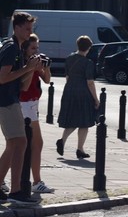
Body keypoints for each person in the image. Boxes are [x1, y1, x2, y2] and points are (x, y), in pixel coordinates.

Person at [0, 11, 43, 205]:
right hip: (6, 102)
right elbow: (2, 78)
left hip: (11, 100)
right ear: (16, 28)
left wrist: (32, 68)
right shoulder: (11, 48)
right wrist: (27, 69)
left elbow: (23, 85)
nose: (29, 32)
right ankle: (16, 191)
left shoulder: (17, 48)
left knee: (14, 144)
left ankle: (4, 185)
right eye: (26, 29)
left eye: (31, 29)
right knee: (20, 142)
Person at [56, 35, 100, 159]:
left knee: (73, 119)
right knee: (84, 122)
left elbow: (67, 77)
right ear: (89, 48)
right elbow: (90, 82)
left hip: (69, 91)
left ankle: (62, 140)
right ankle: (80, 149)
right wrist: (96, 99)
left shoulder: (69, 59)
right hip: (83, 94)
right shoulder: (88, 63)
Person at [20, 34, 54, 194]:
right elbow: (24, 87)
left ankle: (32, 180)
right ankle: (36, 181)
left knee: (28, 144)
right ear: (25, 49)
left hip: (32, 104)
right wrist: (31, 68)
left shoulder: (33, 62)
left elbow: (47, 80)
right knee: (32, 144)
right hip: (24, 104)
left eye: (37, 48)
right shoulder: (23, 63)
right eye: (33, 48)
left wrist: (45, 67)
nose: (36, 51)